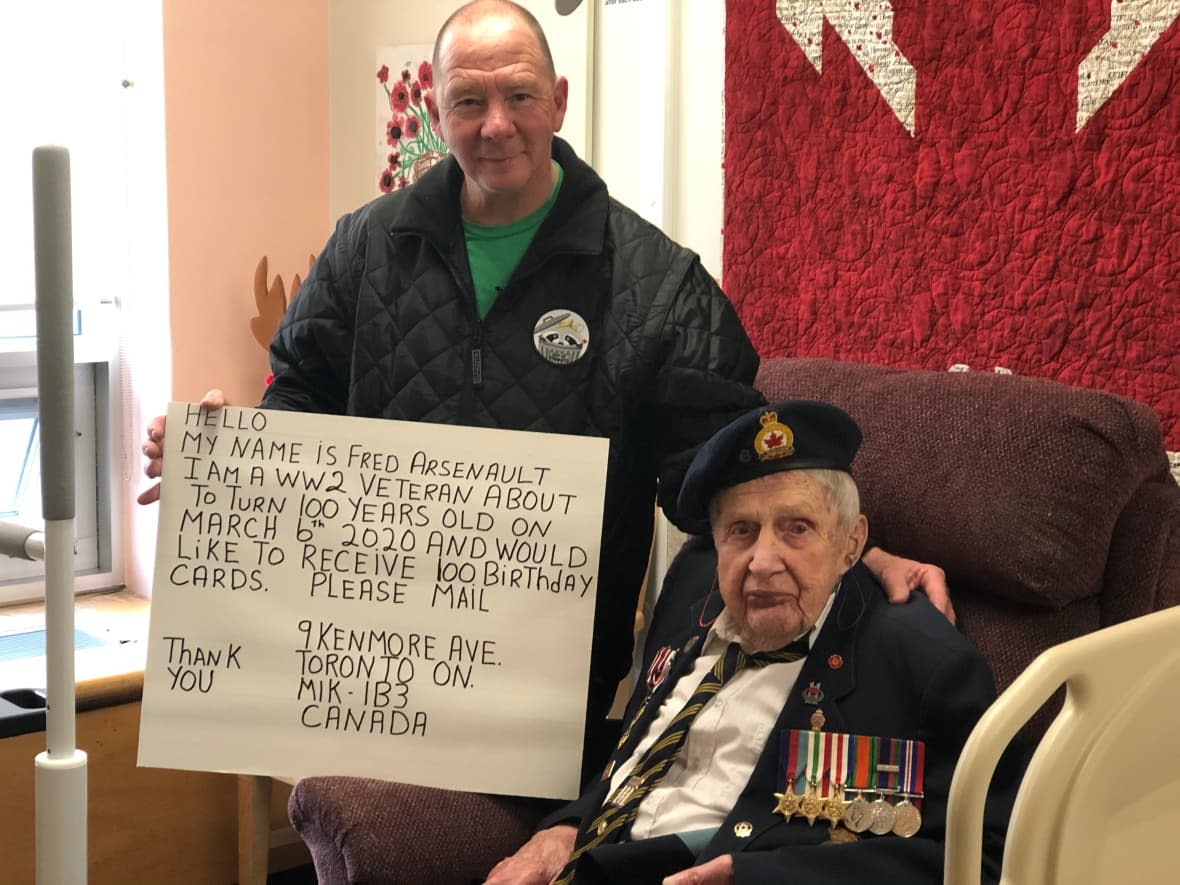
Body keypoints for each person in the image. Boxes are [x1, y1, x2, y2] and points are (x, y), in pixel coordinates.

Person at [138, 0, 953, 782]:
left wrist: (856, 546)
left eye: (519, 95)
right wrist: (228, 461)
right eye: (469, 100)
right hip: (365, 677)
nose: (496, 124)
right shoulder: (365, 246)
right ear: (436, 106)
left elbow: (724, 471)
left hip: (537, 704)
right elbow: (299, 399)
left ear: (557, 101)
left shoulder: (656, 284)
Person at [486, 400, 1022, 885]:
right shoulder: (693, 586)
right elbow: (636, 752)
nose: (762, 562)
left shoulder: (923, 663)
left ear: (852, 542)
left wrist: (765, 877)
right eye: (741, 531)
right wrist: (567, 827)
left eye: (797, 528)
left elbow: (987, 854)